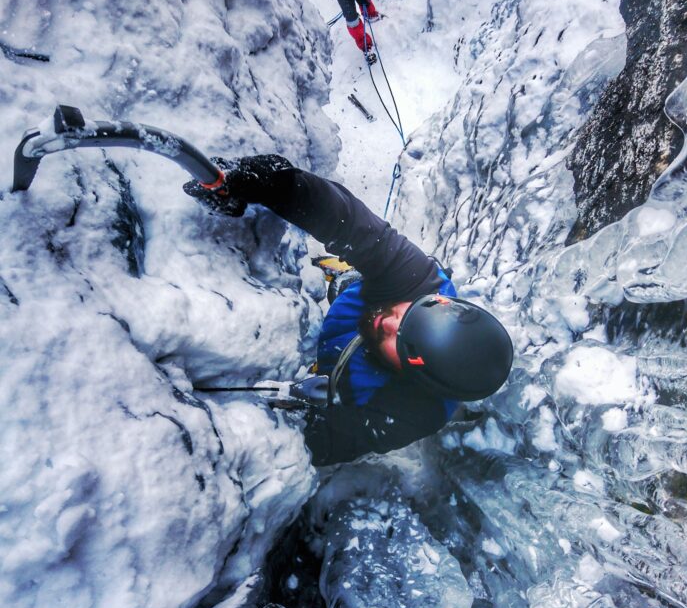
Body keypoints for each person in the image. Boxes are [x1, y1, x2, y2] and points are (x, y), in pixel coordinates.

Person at [184, 157, 514, 466]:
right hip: (356, 301)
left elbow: (328, 441)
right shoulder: (421, 281)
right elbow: (352, 223)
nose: (389, 319)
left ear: (413, 375)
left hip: (342, 376)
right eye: (407, 313)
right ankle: (344, 279)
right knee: (353, 282)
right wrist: (275, 183)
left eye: (395, 338)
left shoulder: (415, 413)